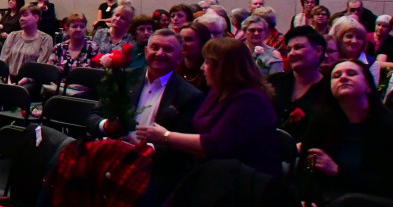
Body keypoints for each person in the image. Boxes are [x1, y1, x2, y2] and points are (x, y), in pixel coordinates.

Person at [136, 37, 283, 177]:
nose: (202, 68)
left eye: (206, 62)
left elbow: (215, 145)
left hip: (246, 183)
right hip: (217, 172)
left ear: (222, 67)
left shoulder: (250, 100)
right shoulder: (218, 91)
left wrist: (166, 136)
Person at [89, 29, 205, 192]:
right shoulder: (124, 79)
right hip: (112, 157)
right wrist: (105, 125)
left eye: (168, 50)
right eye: (155, 47)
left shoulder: (190, 96)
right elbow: (93, 115)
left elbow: (184, 150)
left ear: (180, 57)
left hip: (154, 172)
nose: (159, 53)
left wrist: (143, 150)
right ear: (145, 51)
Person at [297, 60, 393, 206]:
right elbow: (307, 168)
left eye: (352, 73)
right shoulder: (321, 120)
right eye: (336, 75)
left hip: (373, 204)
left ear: (368, 86)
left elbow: (386, 184)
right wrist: (309, 199)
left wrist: (338, 171)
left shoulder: (386, 124)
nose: (343, 77)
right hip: (327, 201)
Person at [268, 26, 329, 143]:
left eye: (298, 47)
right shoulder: (273, 83)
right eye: (289, 49)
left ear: (318, 51)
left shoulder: (330, 89)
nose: (291, 54)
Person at [0, 4, 55, 79]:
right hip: (8, 78)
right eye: (20, 16)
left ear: (36, 18)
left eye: (25, 15)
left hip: (31, 81)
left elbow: (40, 67)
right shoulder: (13, 36)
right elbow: (3, 60)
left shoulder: (45, 39)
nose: (21, 19)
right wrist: (7, 79)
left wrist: (21, 82)